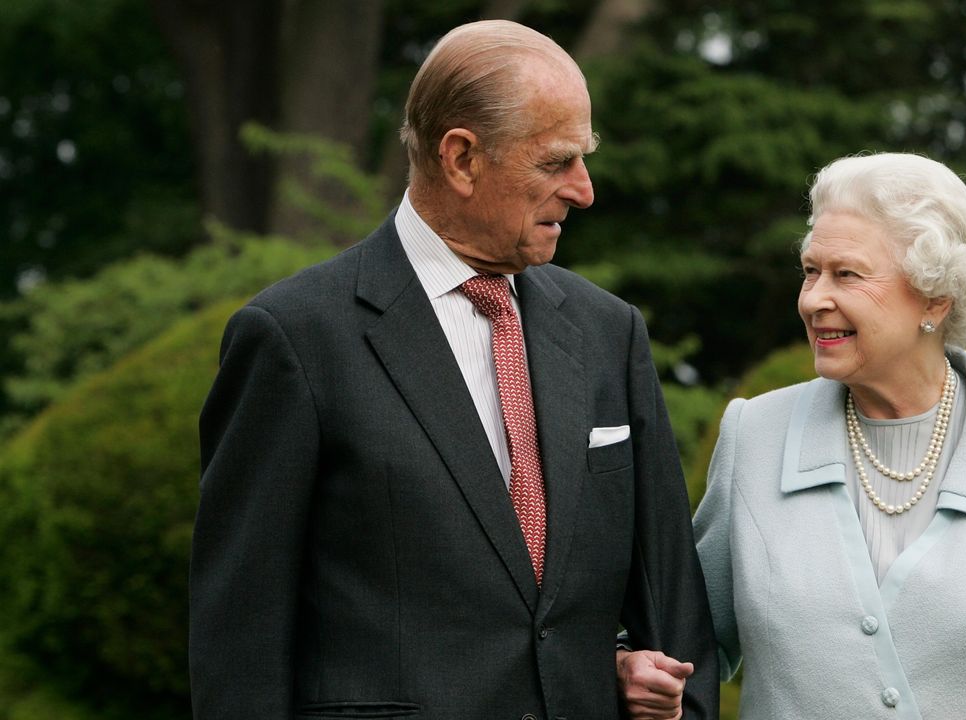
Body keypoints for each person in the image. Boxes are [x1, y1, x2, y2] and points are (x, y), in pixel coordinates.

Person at [191, 20, 717, 720]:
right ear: (462, 158)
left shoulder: (608, 332)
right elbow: (239, 642)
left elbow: (673, 609)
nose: (584, 191)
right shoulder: (294, 338)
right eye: (556, 162)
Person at [619, 152, 966, 719]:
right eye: (811, 270)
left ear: (935, 297)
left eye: (847, 275)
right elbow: (684, 642)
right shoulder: (754, 436)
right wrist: (638, 670)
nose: (813, 300)